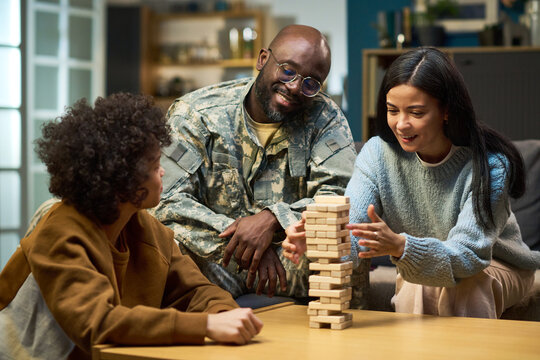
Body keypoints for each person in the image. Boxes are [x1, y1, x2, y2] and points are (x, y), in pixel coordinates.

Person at [0, 93, 263, 360]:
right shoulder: (60, 231)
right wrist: (206, 325)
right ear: (122, 175)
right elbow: (97, 323)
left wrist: (223, 315)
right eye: (154, 164)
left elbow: (196, 290)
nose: (163, 172)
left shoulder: (145, 226)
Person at [283, 47, 540, 318]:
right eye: (392, 110)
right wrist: (320, 242)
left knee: (467, 286)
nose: (401, 124)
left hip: (496, 265)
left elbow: (468, 256)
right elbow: (355, 232)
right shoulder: (377, 154)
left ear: (446, 111)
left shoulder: (490, 166)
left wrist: (401, 246)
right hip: (420, 264)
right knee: (420, 285)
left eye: (416, 113)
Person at [150, 24, 364, 303]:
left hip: (291, 260)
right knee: (163, 248)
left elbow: (339, 199)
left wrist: (274, 217)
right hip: (215, 260)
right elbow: (164, 200)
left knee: (340, 248)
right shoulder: (197, 114)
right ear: (263, 59)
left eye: (311, 83)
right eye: (288, 70)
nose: (295, 87)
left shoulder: (325, 119)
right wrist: (242, 247)